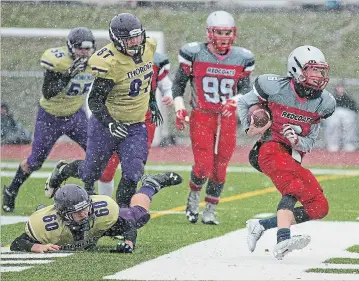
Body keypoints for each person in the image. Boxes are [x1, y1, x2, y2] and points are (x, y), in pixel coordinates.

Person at [44, 13, 163, 207]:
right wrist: (110, 123)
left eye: (137, 36)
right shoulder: (108, 62)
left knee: (134, 172)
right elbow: (94, 101)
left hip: (135, 125)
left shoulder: (149, 46)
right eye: (129, 39)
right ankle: (64, 171)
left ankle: (122, 215)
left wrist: (152, 102)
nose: (135, 42)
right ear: (117, 40)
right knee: (91, 172)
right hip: (105, 125)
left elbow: (146, 79)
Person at [237, 45, 336, 260]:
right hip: (269, 149)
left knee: (320, 207)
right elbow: (244, 102)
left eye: (321, 71)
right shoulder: (274, 87)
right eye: (314, 70)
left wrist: (297, 140)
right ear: (297, 69)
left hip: (294, 155)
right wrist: (250, 127)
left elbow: (309, 143)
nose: (319, 76)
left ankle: (261, 225)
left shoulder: (324, 102)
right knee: (294, 186)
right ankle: (283, 239)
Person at [172, 10, 255, 225]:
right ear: (209, 33)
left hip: (227, 118)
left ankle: (210, 209)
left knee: (220, 169)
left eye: (228, 32)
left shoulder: (242, 57)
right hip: (202, 115)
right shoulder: (194, 54)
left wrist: (234, 101)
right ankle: (193, 197)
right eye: (219, 32)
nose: (224, 37)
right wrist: (179, 107)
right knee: (203, 166)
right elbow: (178, 86)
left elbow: (246, 89)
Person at [2, 27, 96, 212]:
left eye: (87, 48)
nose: (84, 53)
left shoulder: (96, 62)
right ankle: (11, 190)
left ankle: (89, 194)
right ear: (70, 47)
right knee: (35, 161)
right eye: (80, 48)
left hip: (76, 114)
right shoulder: (58, 61)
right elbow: (48, 92)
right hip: (50, 117)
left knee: (95, 154)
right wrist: (68, 74)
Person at [10, 172, 183, 253]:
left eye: (86, 208)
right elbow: (16, 243)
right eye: (78, 212)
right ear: (64, 214)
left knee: (138, 216)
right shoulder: (47, 225)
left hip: (96, 230)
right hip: (65, 228)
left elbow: (128, 225)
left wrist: (129, 243)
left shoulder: (98, 212)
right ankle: (42, 207)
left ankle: (150, 185)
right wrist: (37, 246)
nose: (85, 214)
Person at [96, 52, 174, 197]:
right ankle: (104, 206)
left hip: (144, 120)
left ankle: (124, 208)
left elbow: (166, 85)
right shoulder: (113, 61)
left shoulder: (154, 60)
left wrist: (168, 95)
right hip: (118, 118)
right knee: (106, 169)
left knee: (134, 168)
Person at [323, 83, 358, 152]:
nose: (340, 89)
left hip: (346, 113)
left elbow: (354, 108)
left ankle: (348, 144)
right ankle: (333, 144)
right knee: (334, 124)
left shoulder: (347, 97)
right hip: (334, 114)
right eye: (339, 88)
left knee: (348, 124)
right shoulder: (332, 97)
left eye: (341, 88)